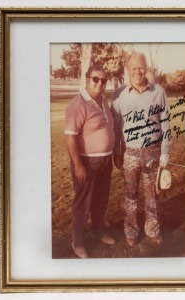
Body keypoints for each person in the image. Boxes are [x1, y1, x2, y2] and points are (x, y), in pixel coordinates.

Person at [112, 53, 171, 247]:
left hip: (153, 151)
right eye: (133, 68)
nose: (137, 71)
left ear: (146, 68)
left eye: (141, 67)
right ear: (127, 70)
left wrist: (165, 152)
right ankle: (131, 231)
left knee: (152, 195)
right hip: (130, 153)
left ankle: (152, 229)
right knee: (130, 195)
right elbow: (116, 127)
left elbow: (166, 124)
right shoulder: (119, 94)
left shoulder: (159, 91)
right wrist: (117, 152)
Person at [65, 65, 115, 258]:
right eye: (96, 79)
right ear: (87, 80)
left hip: (106, 160)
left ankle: (98, 231)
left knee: (101, 201)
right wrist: (78, 165)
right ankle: (77, 242)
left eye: (104, 80)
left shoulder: (103, 102)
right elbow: (70, 137)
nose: (100, 83)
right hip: (86, 162)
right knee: (82, 204)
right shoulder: (77, 104)